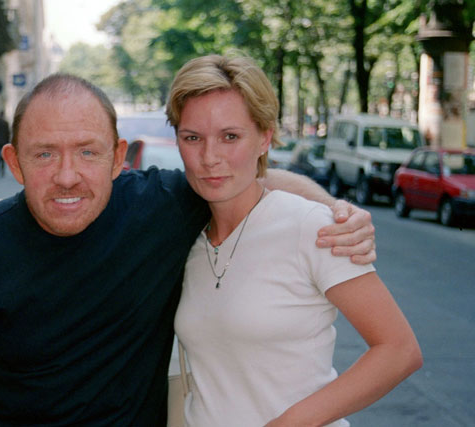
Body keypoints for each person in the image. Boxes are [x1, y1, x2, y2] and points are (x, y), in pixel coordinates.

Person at [0, 74, 377, 426]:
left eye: (88, 152)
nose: (67, 176)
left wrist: (337, 211)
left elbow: (247, 179)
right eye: (45, 154)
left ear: (118, 157)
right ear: (14, 162)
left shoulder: (157, 207)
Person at [168, 55, 422, 426]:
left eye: (230, 136)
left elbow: (399, 350)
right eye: (192, 138)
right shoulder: (183, 234)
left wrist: (291, 423)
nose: (209, 157)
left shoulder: (311, 226)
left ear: (264, 137)